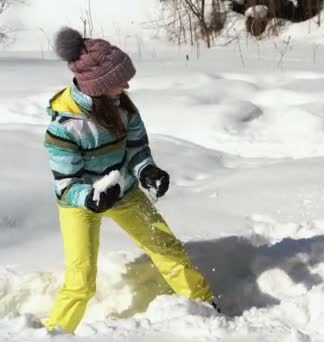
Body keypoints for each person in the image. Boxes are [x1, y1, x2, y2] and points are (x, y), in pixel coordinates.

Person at [43, 27, 216, 333]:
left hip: (123, 191)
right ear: (99, 84)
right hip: (80, 203)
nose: (127, 83)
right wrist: (90, 197)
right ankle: (54, 332)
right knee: (81, 281)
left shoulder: (123, 107)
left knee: (168, 249)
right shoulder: (65, 127)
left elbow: (136, 149)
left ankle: (205, 307)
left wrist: (147, 170)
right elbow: (65, 184)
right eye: (119, 79)